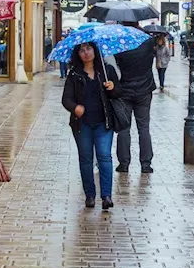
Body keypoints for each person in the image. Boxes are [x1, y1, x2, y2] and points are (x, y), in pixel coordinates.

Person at [61, 42, 120, 210]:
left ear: (95, 50)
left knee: (104, 157)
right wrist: (75, 108)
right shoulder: (74, 74)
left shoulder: (107, 71)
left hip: (103, 122)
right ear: (78, 54)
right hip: (82, 124)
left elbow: (118, 93)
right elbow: (66, 99)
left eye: (89, 49)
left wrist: (113, 88)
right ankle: (90, 195)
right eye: (82, 50)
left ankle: (106, 196)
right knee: (86, 159)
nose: (86, 53)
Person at [112, 29, 158, 174]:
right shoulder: (148, 41)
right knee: (144, 128)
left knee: (124, 127)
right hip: (144, 90)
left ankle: (124, 163)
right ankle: (146, 164)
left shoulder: (119, 43)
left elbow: (115, 65)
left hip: (124, 90)